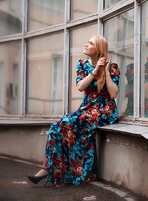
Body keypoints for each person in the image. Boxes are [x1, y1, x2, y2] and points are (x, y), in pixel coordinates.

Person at [27, 35, 120, 186]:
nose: (86, 44)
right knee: (57, 127)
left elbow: (114, 93)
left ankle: (50, 170)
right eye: (87, 41)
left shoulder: (112, 66)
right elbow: (80, 86)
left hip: (104, 109)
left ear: (98, 50)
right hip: (87, 107)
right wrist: (96, 69)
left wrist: (106, 72)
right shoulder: (82, 65)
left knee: (71, 125)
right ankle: (51, 168)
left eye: (90, 43)